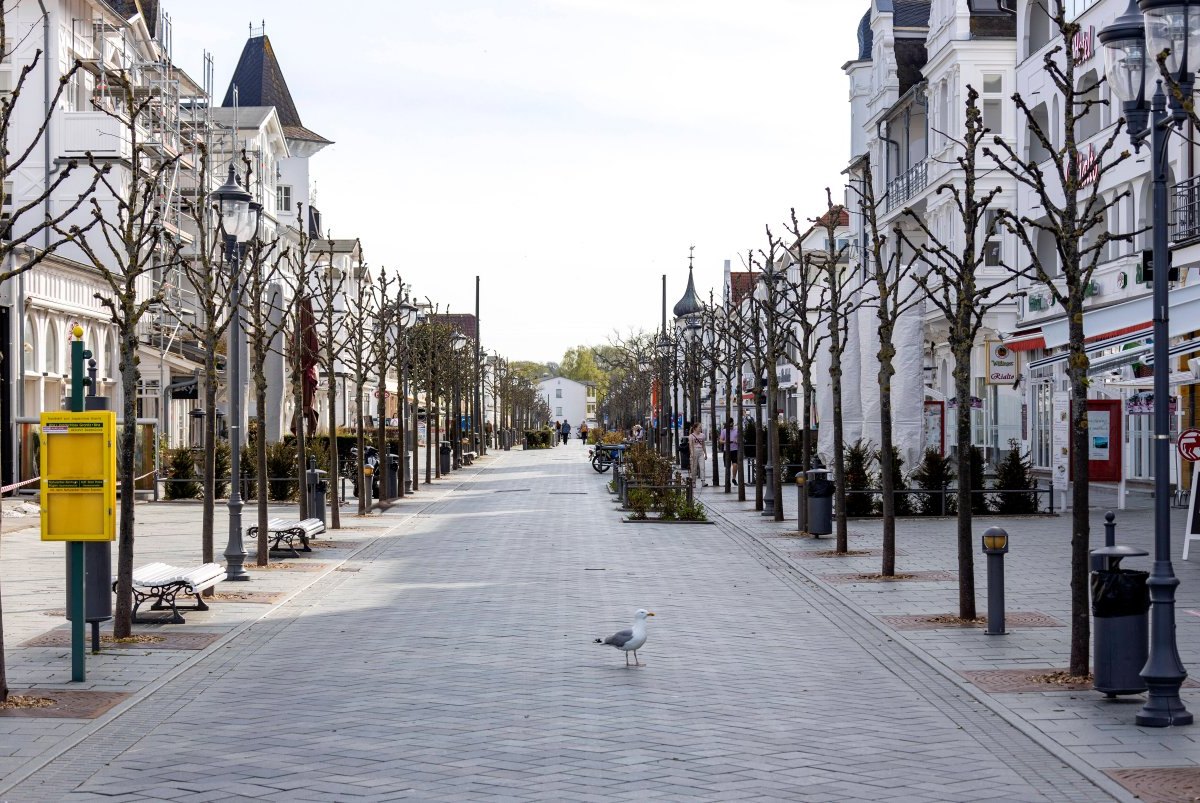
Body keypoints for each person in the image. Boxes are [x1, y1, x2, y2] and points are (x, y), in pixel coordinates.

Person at [719, 417, 740, 486]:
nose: (731, 425)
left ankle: (734, 478)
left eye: (732, 424)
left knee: (735, 464)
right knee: (727, 466)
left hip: (735, 450)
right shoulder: (724, 431)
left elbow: (739, 439)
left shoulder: (736, 430)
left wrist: (737, 441)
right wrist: (726, 441)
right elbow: (720, 440)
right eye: (730, 424)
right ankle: (727, 481)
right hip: (727, 450)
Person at [688, 422, 707, 487]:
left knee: (702, 467)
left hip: (701, 452)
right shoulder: (691, 436)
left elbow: (703, 445)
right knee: (694, 468)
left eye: (701, 427)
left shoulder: (702, 435)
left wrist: (705, 454)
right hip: (694, 452)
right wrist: (692, 454)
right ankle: (693, 482)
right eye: (699, 427)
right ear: (695, 428)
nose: (700, 429)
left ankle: (703, 481)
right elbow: (690, 445)